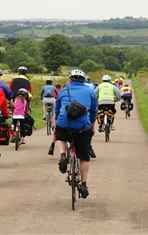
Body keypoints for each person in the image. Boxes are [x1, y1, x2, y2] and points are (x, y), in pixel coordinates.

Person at [55, 69, 97, 199]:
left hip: (64, 124)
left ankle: (63, 155)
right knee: (84, 157)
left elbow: (57, 111)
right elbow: (93, 111)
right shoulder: (90, 91)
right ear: (84, 80)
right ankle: (83, 184)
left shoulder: (63, 91)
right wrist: (92, 127)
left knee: (60, 137)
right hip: (82, 127)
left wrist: (58, 123)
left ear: (70, 80)